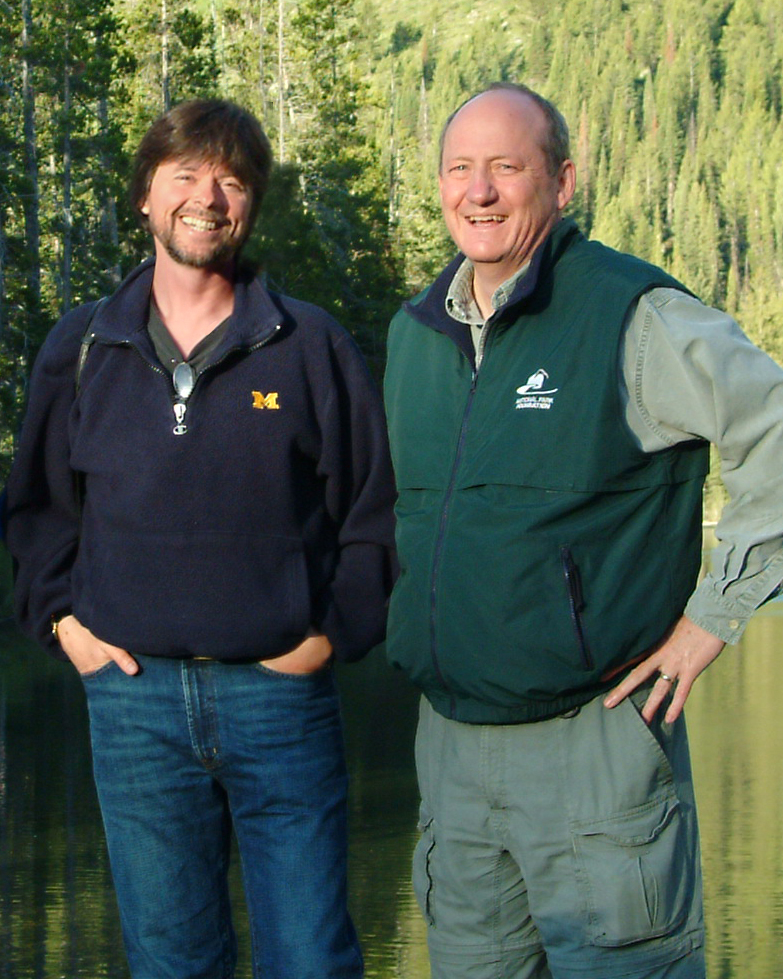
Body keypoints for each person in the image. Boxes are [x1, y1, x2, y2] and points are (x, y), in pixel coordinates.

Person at [383, 82, 783, 979]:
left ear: (561, 182)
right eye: (459, 168)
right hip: (450, 751)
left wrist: (712, 617)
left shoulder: (631, 314)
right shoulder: (415, 334)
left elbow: (776, 427)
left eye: (505, 167)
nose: (477, 191)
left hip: (591, 745)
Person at [3, 99, 396, 979]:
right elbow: (36, 514)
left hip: (281, 703)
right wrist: (67, 627)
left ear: (252, 204)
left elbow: (372, 515)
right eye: (185, 174)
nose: (207, 197)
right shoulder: (81, 349)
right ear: (145, 194)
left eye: (231, 179)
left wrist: (328, 636)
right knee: (171, 962)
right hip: (133, 708)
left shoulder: (309, 347)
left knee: (312, 960)